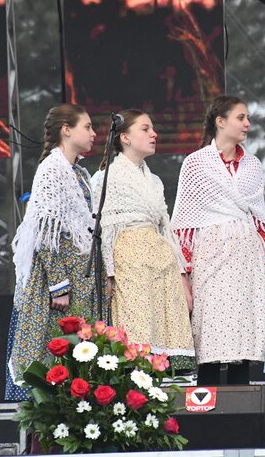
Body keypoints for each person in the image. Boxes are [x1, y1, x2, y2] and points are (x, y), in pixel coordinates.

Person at [170, 95, 265, 385]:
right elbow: (184, 223)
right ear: (220, 121)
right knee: (210, 336)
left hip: (248, 258)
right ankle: (207, 408)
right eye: (241, 117)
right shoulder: (196, 163)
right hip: (212, 257)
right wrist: (185, 273)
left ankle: (242, 409)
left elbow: (260, 218)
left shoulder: (253, 165)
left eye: (248, 118)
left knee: (243, 340)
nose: (247, 123)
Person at [6, 104, 97, 401]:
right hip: (58, 281)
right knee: (53, 353)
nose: (94, 133)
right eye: (87, 127)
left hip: (81, 277)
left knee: (81, 356)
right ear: (66, 130)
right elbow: (45, 233)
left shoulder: (80, 172)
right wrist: (59, 285)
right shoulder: (51, 169)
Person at [92, 109, 195, 371]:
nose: (154, 134)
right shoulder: (105, 178)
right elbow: (104, 229)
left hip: (161, 263)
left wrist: (182, 274)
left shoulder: (155, 181)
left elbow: (166, 228)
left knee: (167, 334)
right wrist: (108, 273)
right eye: (145, 129)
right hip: (129, 264)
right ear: (125, 137)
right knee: (136, 333)